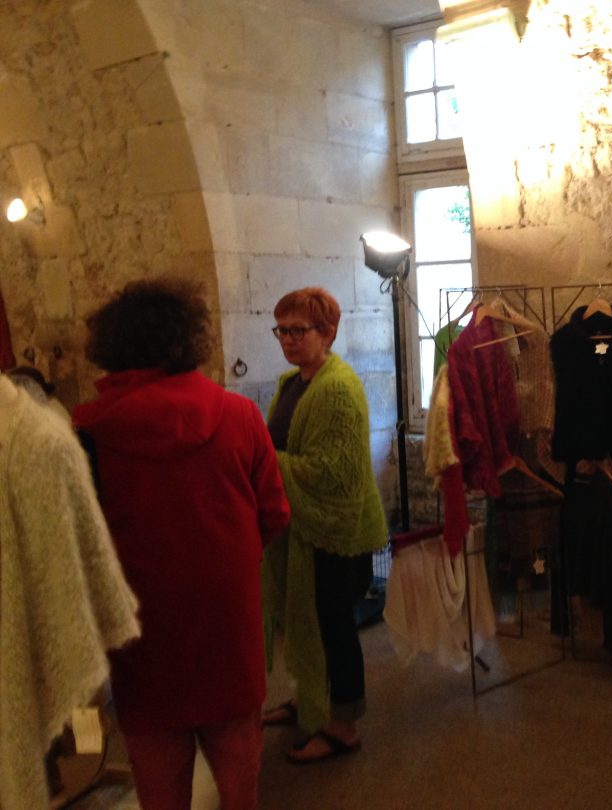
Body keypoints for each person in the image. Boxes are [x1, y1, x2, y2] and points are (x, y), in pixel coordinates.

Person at [71, 277, 291, 810]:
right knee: (240, 793)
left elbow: (78, 546)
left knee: (161, 796)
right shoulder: (240, 416)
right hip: (227, 632)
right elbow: (274, 513)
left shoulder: (86, 434)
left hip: (143, 639)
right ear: (188, 339)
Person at [260, 287, 388, 764]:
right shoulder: (292, 383)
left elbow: (331, 473)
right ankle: (310, 698)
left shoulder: (337, 388)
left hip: (336, 532)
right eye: (282, 330)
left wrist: (262, 459)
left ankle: (344, 726)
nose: (288, 340)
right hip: (302, 529)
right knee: (306, 623)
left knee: (334, 628)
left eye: (299, 330)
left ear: (328, 332)